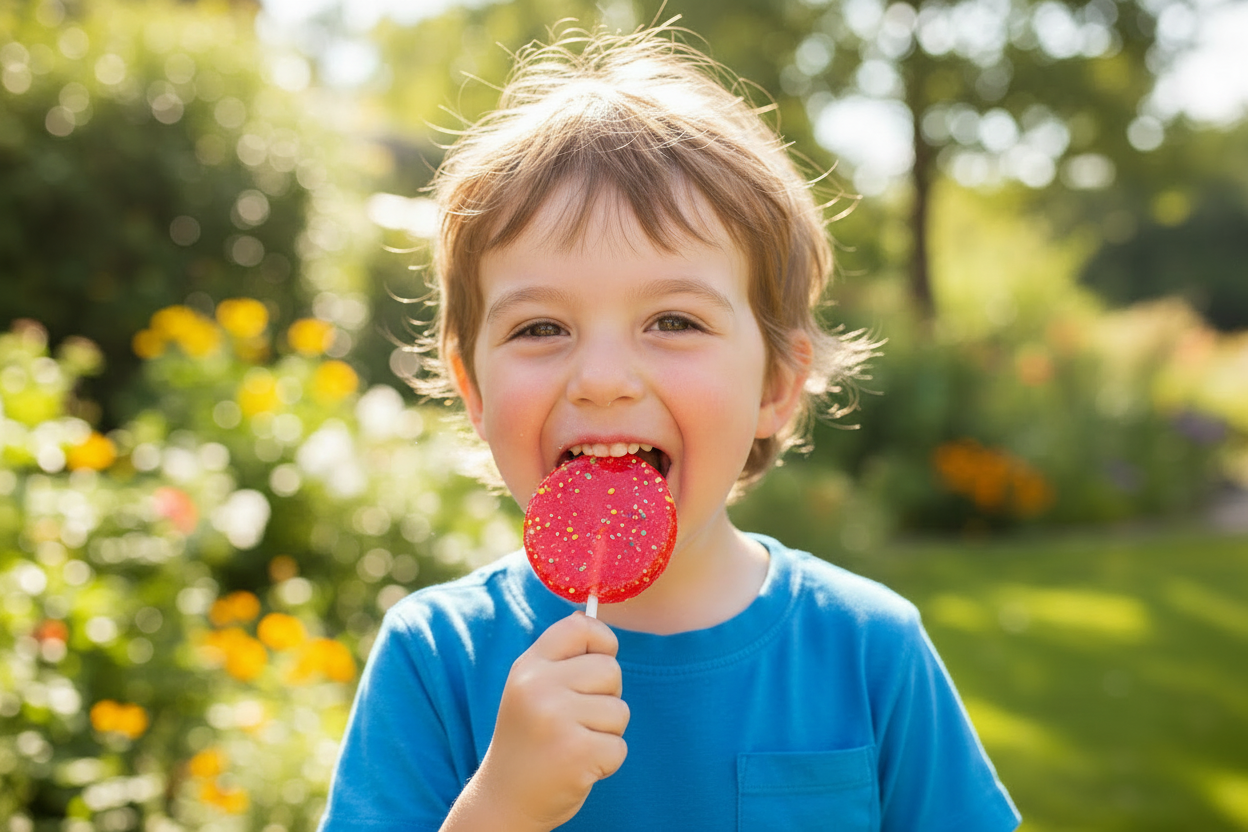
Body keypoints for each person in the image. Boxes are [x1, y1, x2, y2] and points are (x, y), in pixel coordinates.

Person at [319, 22, 1021, 832]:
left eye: (674, 320)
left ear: (778, 385)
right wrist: (499, 809)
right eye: (541, 328)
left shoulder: (868, 652)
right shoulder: (437, 657)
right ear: (472, 387)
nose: (605, 380)